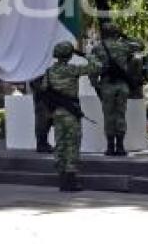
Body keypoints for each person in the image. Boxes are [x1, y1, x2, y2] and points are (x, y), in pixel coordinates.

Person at [40, 42, 99, 191]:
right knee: (72, 144)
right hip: (71, 113)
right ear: (69, 55)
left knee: (60, 144)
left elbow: (44, 90)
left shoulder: (48, 72)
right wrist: (86, 55)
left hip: (57, 113)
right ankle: (70, 180)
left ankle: (62, 178)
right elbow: (96, 66)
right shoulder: (72, 69)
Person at [91, 23, 141, 156]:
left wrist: (96, 85)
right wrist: (125, 36)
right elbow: (140, 45)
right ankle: (120, 146)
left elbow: (93, 70)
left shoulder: (98, 48)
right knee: (120, 115)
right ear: (116, 33)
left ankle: (110, 147)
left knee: (108, 116)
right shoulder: (124, 46)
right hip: (122, 85)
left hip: (107, 85)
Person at [29, 76, 54, 153]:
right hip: (42, 99)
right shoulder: (38, 71)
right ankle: (41, 144)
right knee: (42, 122)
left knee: (48, 121)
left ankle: (43, 144)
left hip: (48, 98)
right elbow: (37, 86)